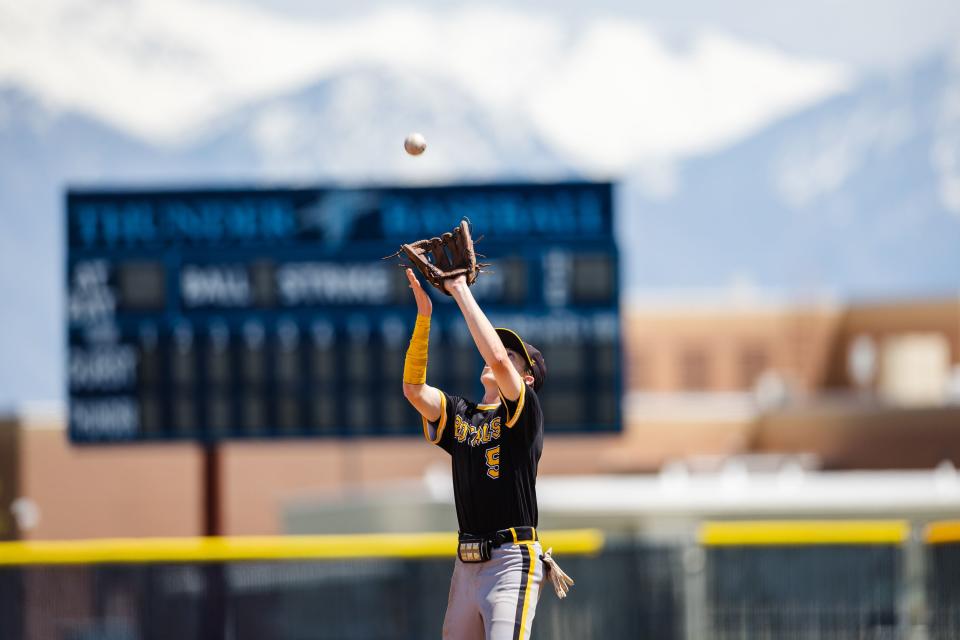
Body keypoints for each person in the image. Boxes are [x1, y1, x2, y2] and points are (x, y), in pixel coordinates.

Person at [401, 267, 549, 640]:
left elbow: (498, 361)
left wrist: (458, 289)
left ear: (526, 380)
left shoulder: (524, 413)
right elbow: (414, 390)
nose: (498, 355)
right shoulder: (461, 413)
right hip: (466, 565)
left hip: (511, 559)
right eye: (503, 349)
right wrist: (423, 318)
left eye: (515, 356)